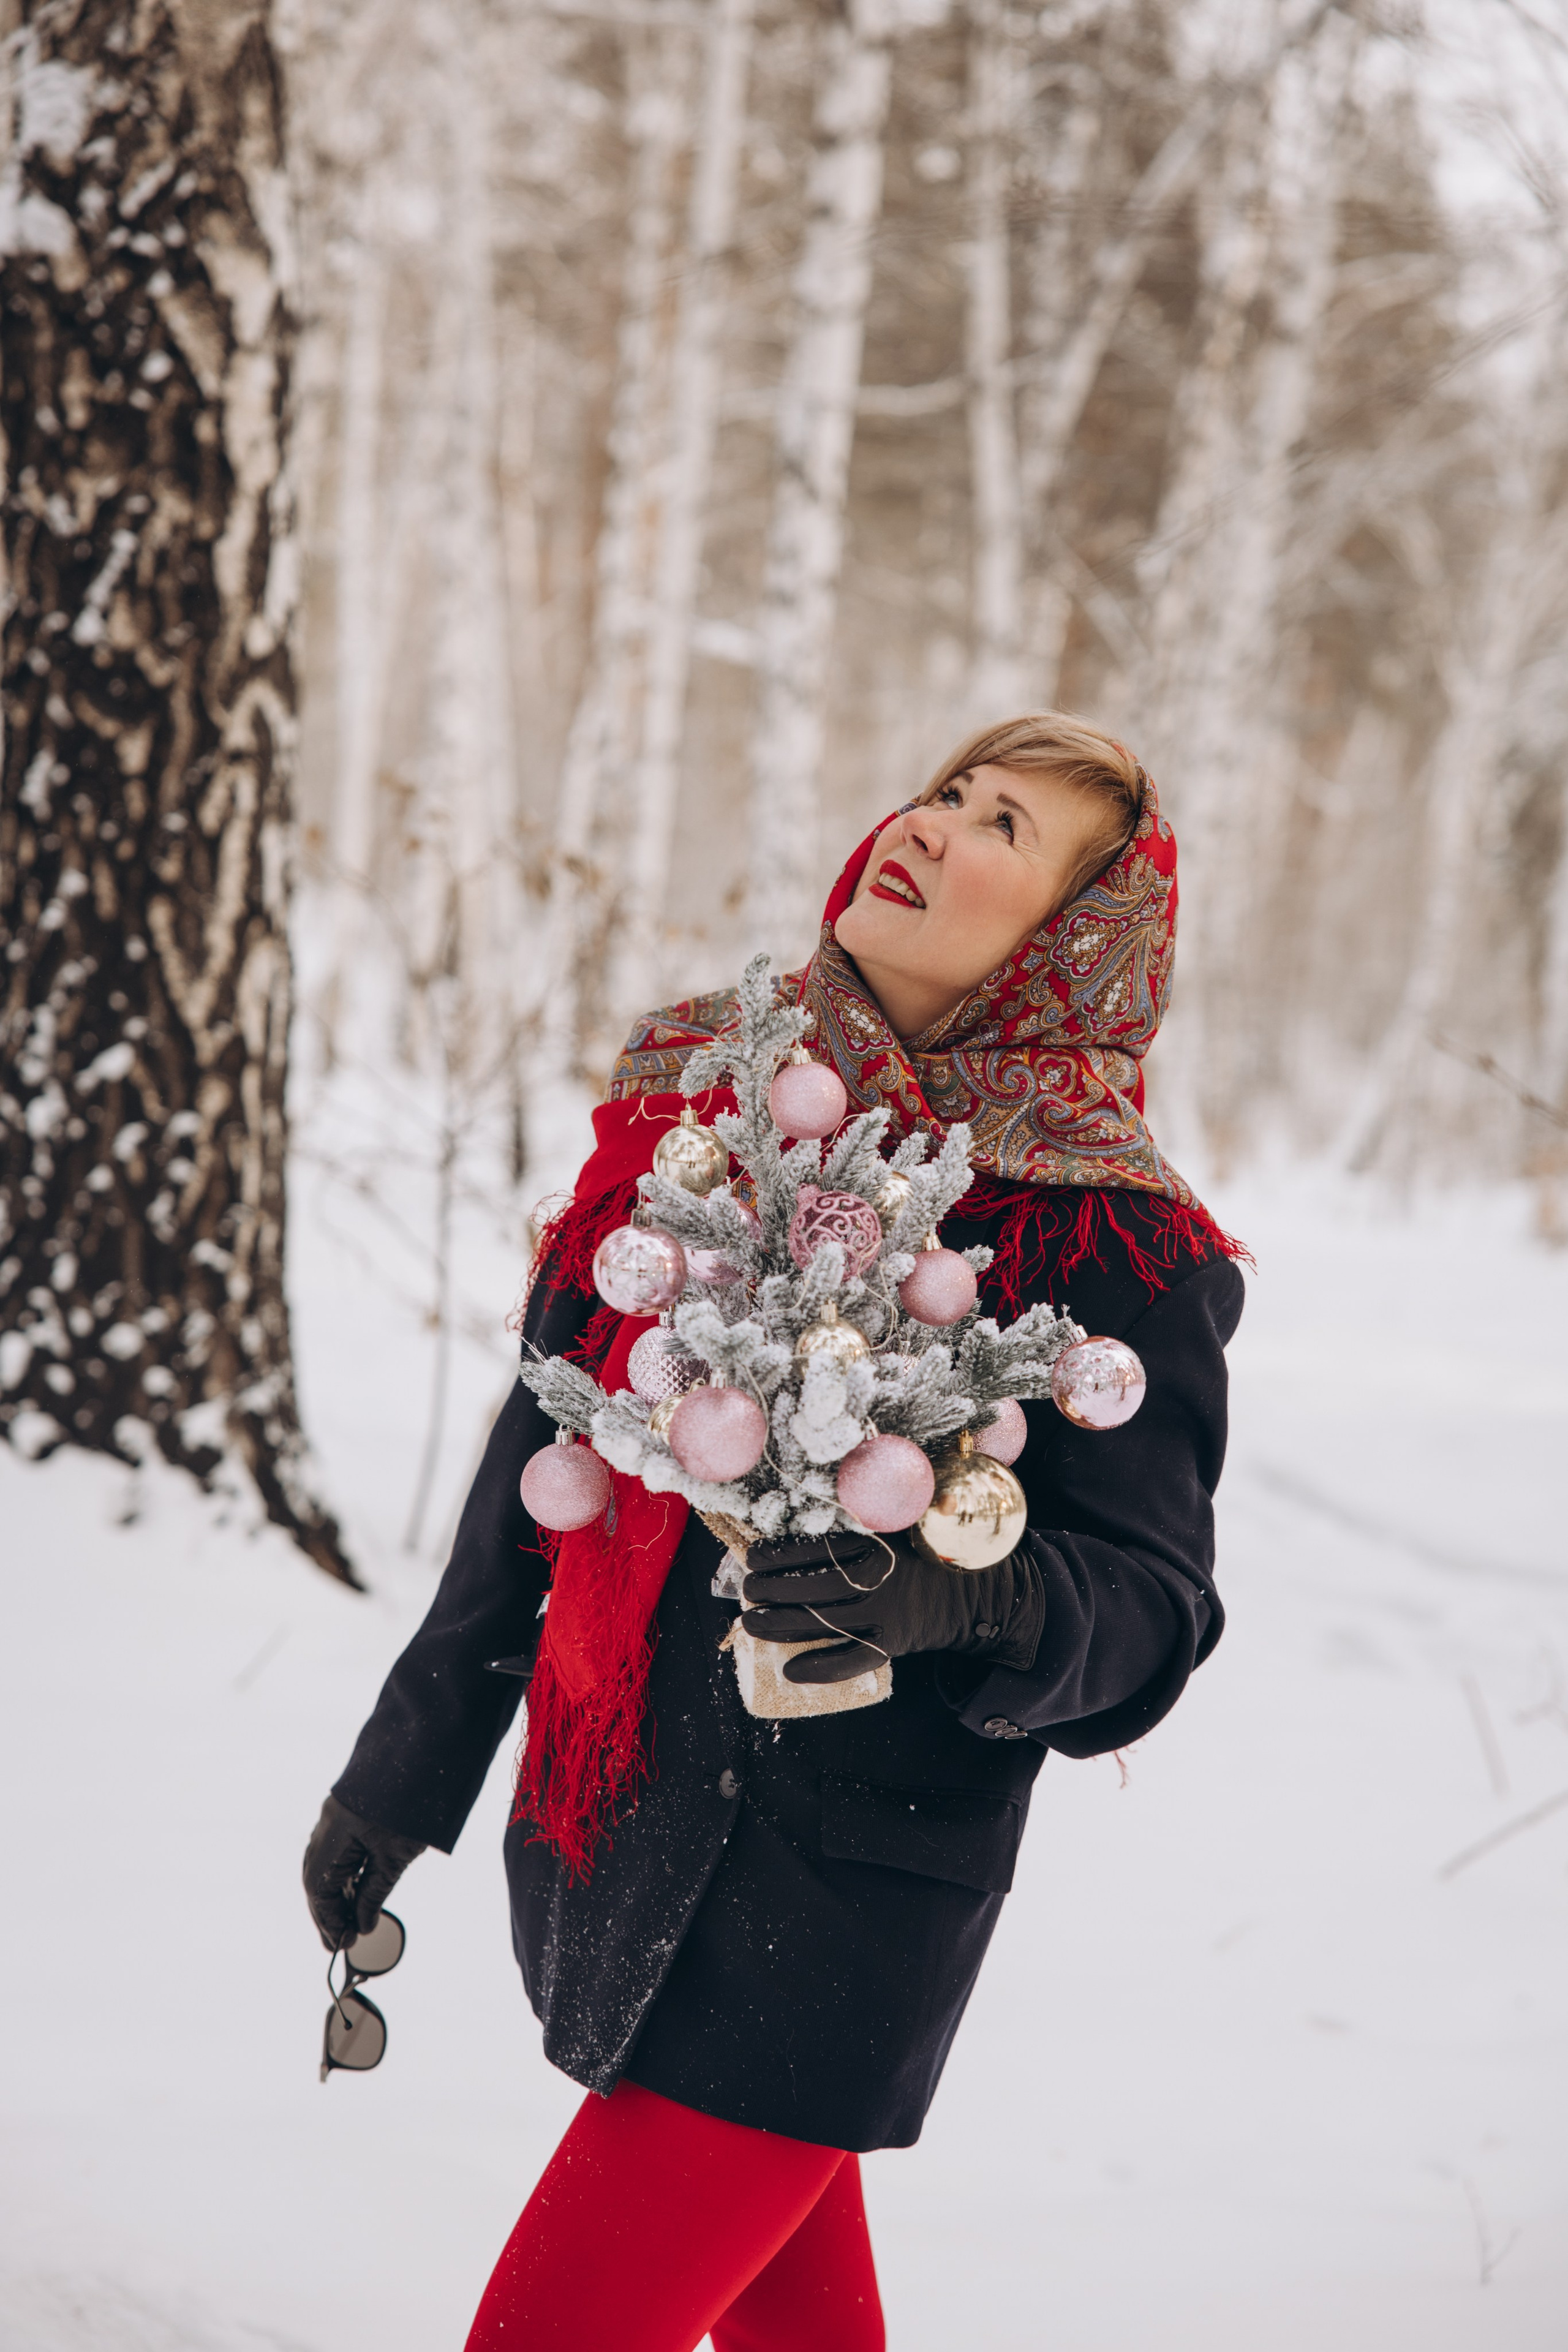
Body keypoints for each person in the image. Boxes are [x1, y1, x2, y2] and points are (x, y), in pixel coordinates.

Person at [302, 713, 1247, 2351]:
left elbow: (1156, 1608)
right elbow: (547, 1440)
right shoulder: (704, 1102)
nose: (937, 826)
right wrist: (406, 1767)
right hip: (626, 1821)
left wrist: (965, 1599)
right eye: (948, 790)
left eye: (1006, 827)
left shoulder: (1107, 1231)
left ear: (1070, 947)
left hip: (853, 1898)